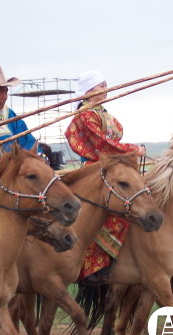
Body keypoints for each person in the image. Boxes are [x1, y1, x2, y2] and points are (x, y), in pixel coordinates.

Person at [65, 70, 145, 283]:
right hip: (94, 169)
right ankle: (91, 265)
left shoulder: (102, 112)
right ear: (89, 91)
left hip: (109, 166)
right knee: (108, 210)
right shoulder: (85, 114)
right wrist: (131, 149)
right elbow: (102, 144)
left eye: (105, 85)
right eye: (100, 86)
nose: (105, 89)